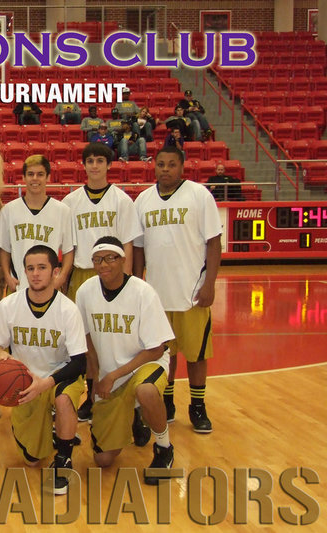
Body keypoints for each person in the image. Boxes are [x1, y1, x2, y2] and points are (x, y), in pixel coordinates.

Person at [0, 245, 87, 495]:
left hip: (60, 376)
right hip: (25, 382)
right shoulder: (9, 305)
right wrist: (3, 355)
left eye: (42, 268)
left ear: (55, 272)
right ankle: (54, 431)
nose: (36, 274)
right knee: (31, 458)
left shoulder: (68, 310)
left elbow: (79, 362)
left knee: (63, 399)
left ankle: (64, 459)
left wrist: (46, 383)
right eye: (30, 268)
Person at [133, 146, 222, 433]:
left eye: (171, 164)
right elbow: (138, 249)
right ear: (154, 166)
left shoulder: (199, 195)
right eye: (161, 164)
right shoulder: (143, 200)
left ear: (182, 167)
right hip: (156, 296)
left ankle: (198, 406)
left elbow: (214, 242)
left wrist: (210, 283)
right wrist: (136, 285)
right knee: (163, 355)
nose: (165, 169)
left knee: (196, 354)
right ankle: (167, 402)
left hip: (191, 293)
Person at [75, 236, 176, 485]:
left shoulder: (143, 292)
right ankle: (134, 418)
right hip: (111, 374)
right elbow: (86, 339)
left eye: (110, 258)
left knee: (146, 390)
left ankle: (164, 448)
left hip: (146, 364)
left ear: (122, 260)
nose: (103, 264)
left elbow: (156, 348)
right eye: (98, 259)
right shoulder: (85, 291)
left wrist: (113, 375)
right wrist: (95, 378)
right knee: (102, 459)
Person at [61, 141, 142, 421]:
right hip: (83, 273)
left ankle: (125, 393)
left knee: (114, 337)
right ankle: (91, 393)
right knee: (85, 340)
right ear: (83, 165)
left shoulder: (122, 200)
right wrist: (64, 275)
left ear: (109, 165)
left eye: (100, 160)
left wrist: (126, 279)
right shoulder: (71, 202)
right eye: (90, 161)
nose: (94, 165)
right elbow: (68, 246)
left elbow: (128, 243)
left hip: (113, 273)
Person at [0, 154, 74, 294]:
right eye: (30, 174)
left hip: (49, 286)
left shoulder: (62, 211)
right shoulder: (9, 210)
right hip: (18, 285)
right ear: (23, 177)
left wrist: (61, 277)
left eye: (40, 174)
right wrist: (7, 276)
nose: (35, 178)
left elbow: (68, 250)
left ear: (48, 177)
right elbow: (4, 248)